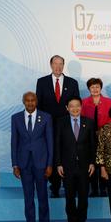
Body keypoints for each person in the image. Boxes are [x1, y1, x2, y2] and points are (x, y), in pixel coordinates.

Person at [35, 55, 80, 198]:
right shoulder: (41, 82)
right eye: (55, 64)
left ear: (63, 65)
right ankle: (54, 186)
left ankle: (69, 185)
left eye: (61, 64)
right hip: (48, 127)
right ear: (51, 65)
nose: (58, 67)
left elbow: (76, 105)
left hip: (67, 126)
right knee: (52, 155)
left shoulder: (72, 83)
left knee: (67, 155)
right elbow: (39, 106)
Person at [11, 92, 53, 222]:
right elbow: (14, 142)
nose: (30, 103)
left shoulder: (46, 117)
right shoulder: (15, 118)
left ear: (36, 101)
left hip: (41, 163)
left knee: (42, 195)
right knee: (28, 196)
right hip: (24, 164)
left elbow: (50, 142)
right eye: (27, 100)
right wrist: (15, 164)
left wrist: (49, 164)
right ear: (23, 102)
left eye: (33, 100)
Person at [55, 97, 96, 222]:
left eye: (77, 106)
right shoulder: (61, 123)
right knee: (69, 196)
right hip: (67, 166)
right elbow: (57, 145)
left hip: (85, 166)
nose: (75, 108)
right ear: (67, 108)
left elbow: (92, 145)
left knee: (84, 196)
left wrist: (92, 162)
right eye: (71, 106)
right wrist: (59, 164)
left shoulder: (89, 123)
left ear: (81, 106)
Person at [81, 77, 111, 197]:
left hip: (105, 136)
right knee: (92, 162)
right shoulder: (83, 102)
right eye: (92, 87)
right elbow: (82, 118)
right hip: (88, 137)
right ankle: (93, 188)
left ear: (101, 88)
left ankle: (104, 188)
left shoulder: (108, 102)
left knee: (104, 162)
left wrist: (103, 131)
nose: (95, 89)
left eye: (97, 87)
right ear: (89, 88)